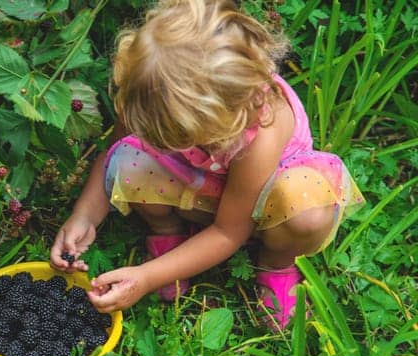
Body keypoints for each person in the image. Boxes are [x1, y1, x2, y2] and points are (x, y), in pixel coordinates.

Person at [48, 0, 363, 330]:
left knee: (306, 212)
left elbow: (229, 231)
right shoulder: (152, 93)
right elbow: (115, 149)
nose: (165, 144)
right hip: (205, 187)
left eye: (179, 138)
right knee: (130, 158)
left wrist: (146, 278)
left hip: (262, 205)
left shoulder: (262, 132)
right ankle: (170, 235)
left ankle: (276, 263)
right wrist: (83, 217)